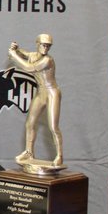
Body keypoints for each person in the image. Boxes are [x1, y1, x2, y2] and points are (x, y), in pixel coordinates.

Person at [9, 33, 63, 167]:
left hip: (52, 92)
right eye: (44, 45)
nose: (46, 48)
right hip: (41, 92)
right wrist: (16, 49)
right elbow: (25, 54)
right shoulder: (34, 55)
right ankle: (29, 152)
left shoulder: (48, 60)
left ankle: (60, 155)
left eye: (48, 46)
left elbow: (29, 68)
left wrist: (14, 55)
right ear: (38, 44)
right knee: (30, 123)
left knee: (53, 126)